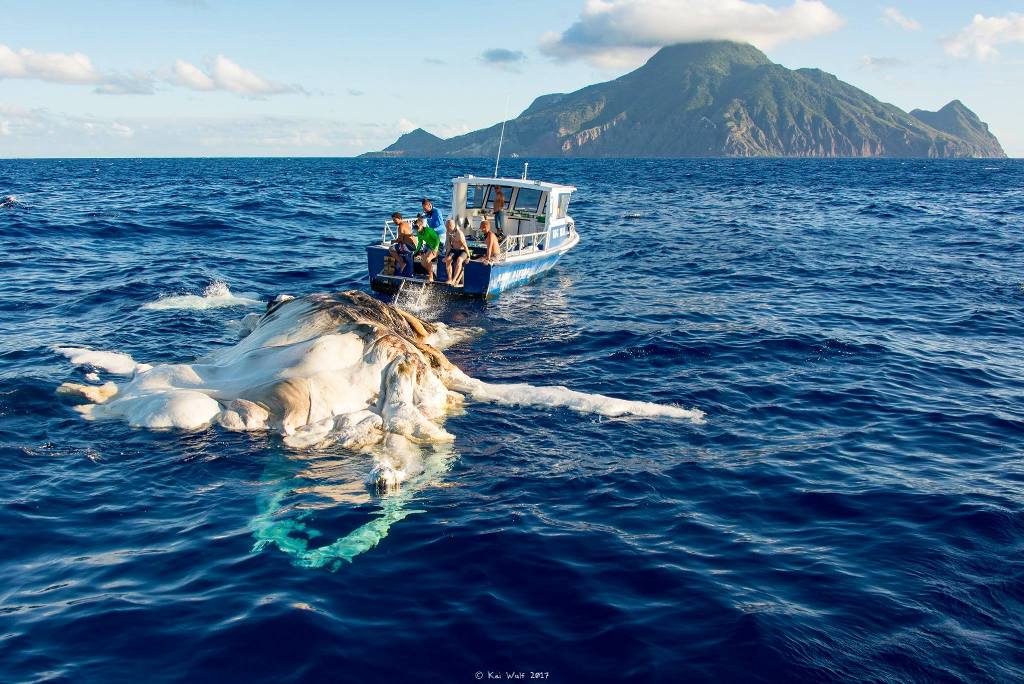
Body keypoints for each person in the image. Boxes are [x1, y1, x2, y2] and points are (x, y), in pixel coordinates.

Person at [388, 212, 416, 277]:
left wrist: (393, 241)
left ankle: (401, 263)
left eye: (395, 220)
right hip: (414, 245)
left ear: (400, 218)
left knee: (391, 249)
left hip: (408, 246)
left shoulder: (400, 227)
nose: (394, 222)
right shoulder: (406, 223)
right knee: (397, 246)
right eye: (393, 220)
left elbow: (399, 240)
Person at [413, 215, 441, 281]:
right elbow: (420, 243)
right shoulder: (419, 232)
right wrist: (416, 252)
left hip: (438, 247)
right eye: (415, 227)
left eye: (417, 226)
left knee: (428, 259)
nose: (416, 228)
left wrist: (436, 248)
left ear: (421, 225)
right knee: (422, 263)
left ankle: (431, 276)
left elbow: (437, 239)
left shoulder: (428, 230)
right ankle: (432, 272)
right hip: (430, 248)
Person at [443, 218, 469, 285]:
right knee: (448, 260)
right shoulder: (448, 232)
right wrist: (446, 256)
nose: (447, 228)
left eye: (448, 227)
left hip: (463, 251)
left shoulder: (459, 233)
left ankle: (454, 280)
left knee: (459, 260)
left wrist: (468, 257)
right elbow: (448, 246)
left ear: (452, 226)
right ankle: (449, 279)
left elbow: (465, 246)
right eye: (446, 227)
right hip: (454, 250)